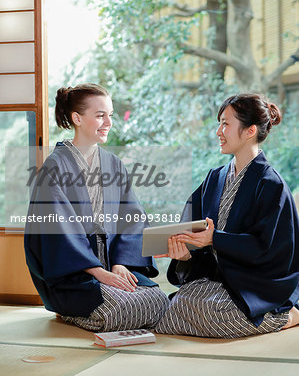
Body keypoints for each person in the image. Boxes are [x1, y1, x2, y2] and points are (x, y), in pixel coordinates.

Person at [24, 83, 169, 331]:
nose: (108, 122)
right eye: (100, 115)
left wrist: (121, 264)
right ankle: (69, 308)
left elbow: (131, 218)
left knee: (159, 301)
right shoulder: (55, 167)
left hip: (113, 262)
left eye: (110, 115)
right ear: (77, 118)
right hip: (75, 273)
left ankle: (93, 304)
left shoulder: (113, 164)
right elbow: (57, 232)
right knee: (118, 309)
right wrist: (97, 272)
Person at [155, 93, 299, 338]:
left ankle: (287, 315)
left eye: (225, 123)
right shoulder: (215, 177)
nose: (218, 131)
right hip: (219, 280)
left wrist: (215, 239)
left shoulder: (271, 184)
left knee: (213, 315)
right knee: (168, 307)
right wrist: (185, 251)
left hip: (255, 285)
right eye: (219, 123)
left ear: (249, 130)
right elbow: (194, 228)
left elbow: (267, 249)